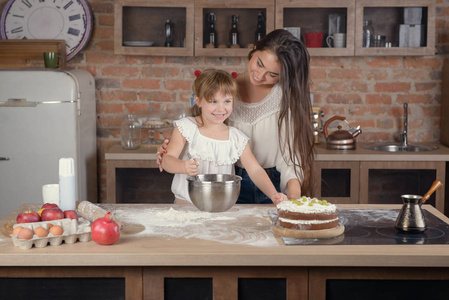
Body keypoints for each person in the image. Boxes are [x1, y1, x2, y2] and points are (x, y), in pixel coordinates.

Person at [159, 29, 315, 204]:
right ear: (254, 49)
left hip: (269, 183)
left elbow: (286, 160)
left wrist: (290, 196)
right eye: (259, 64)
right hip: (226, 185)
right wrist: (171, 154)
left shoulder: (285, 99)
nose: (260, 75)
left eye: (272, 74)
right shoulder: (223, 90)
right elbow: (193, 132)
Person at [161, 68, 288, 205]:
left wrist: (274, 194)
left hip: (222, 211)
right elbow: (167, 160)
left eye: (227, 101)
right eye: (213, 101)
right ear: (198, 100)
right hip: (185, 208)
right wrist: (183, 167)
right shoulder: (187, 128)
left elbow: (255, 170)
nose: (221, 109)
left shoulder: (236, 138)